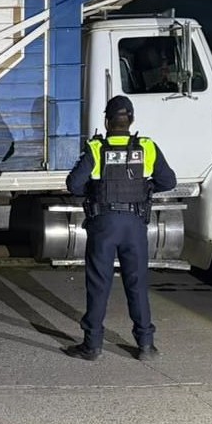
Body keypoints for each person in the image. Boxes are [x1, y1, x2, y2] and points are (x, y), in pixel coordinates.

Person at [63, 95, 177, 361]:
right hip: (135, 225)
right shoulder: (146, 147)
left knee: (99, 285)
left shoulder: (95, 148)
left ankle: (92, 346)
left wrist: (96, 189)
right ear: (132, 120)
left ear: (106, 121)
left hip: (103, 224)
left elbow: (74, 185)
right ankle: (146, 346)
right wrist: (146, 187)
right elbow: (168, 181)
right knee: (137, 285)